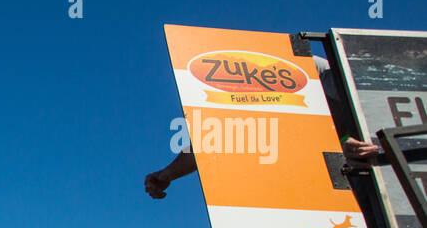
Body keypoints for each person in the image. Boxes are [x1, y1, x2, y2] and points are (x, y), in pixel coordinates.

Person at [145, 56, 381, 199]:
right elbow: (217, 139)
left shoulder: (313, 70)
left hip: (374, 184)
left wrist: (347, 142)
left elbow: (372, 112)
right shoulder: (258, 105)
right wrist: (168, 173)